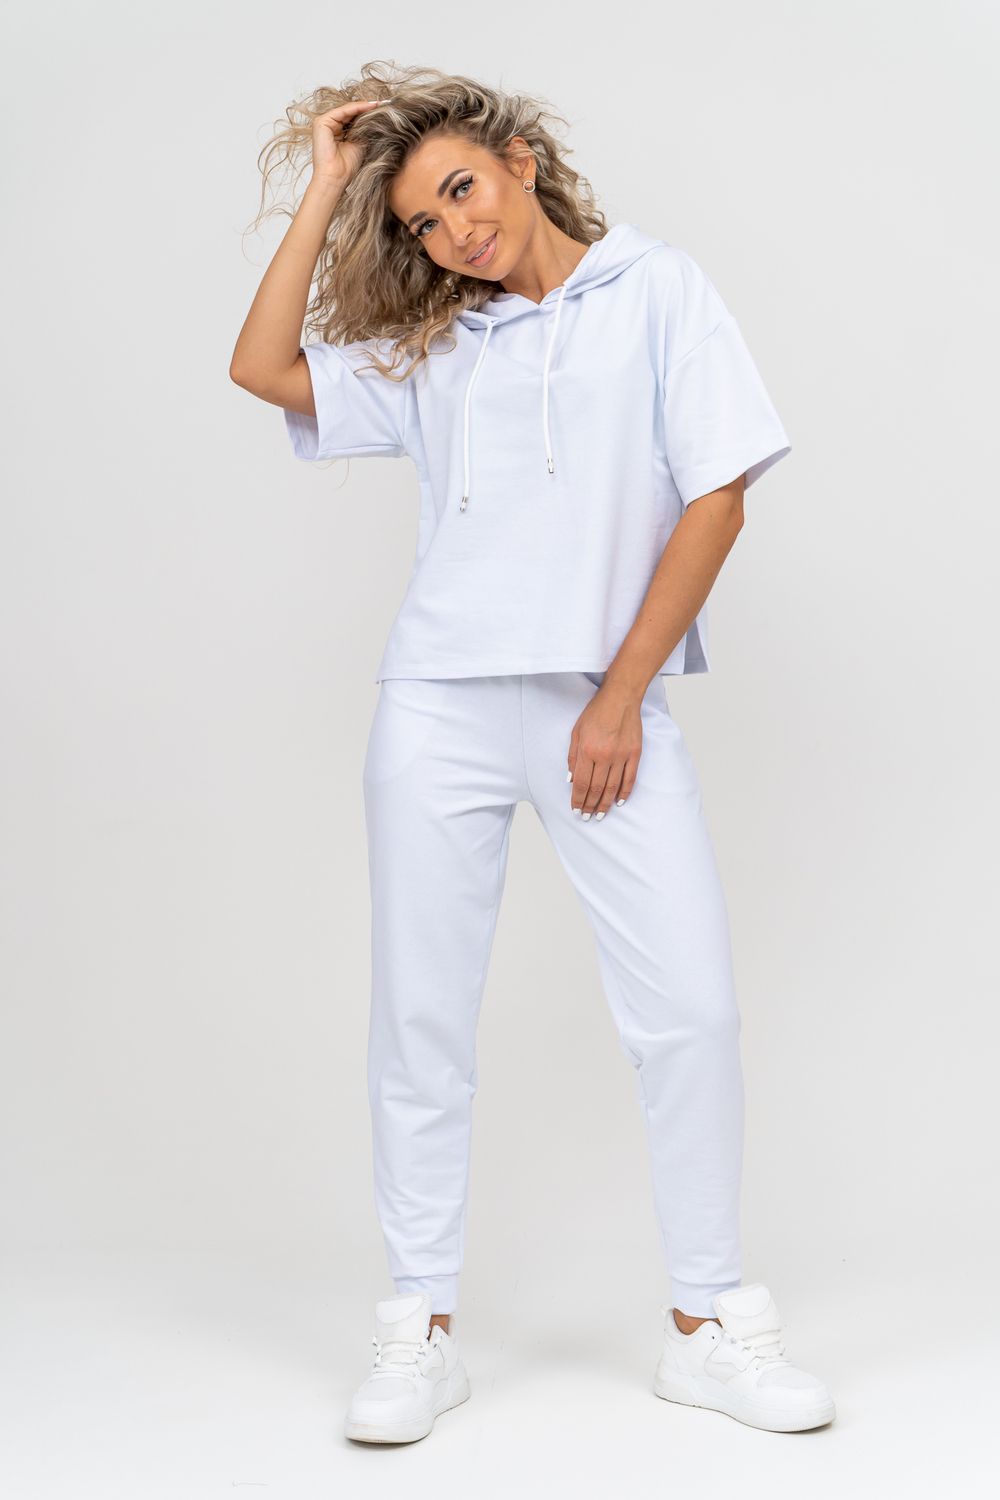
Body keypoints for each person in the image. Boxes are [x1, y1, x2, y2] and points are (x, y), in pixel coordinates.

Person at [231, 63, 836, 1444]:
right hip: (436, 707)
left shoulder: (659, 290)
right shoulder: (439, 342)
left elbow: (719, 497)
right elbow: (262, 369)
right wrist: (327, 189)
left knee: (690, 1012)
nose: (456, 232)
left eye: (463, 189)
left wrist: (618, 700)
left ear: (520, 158)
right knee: (422, 1019)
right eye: (424, 221)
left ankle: (707, 1327)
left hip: (595, 708)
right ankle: (419, 1327)